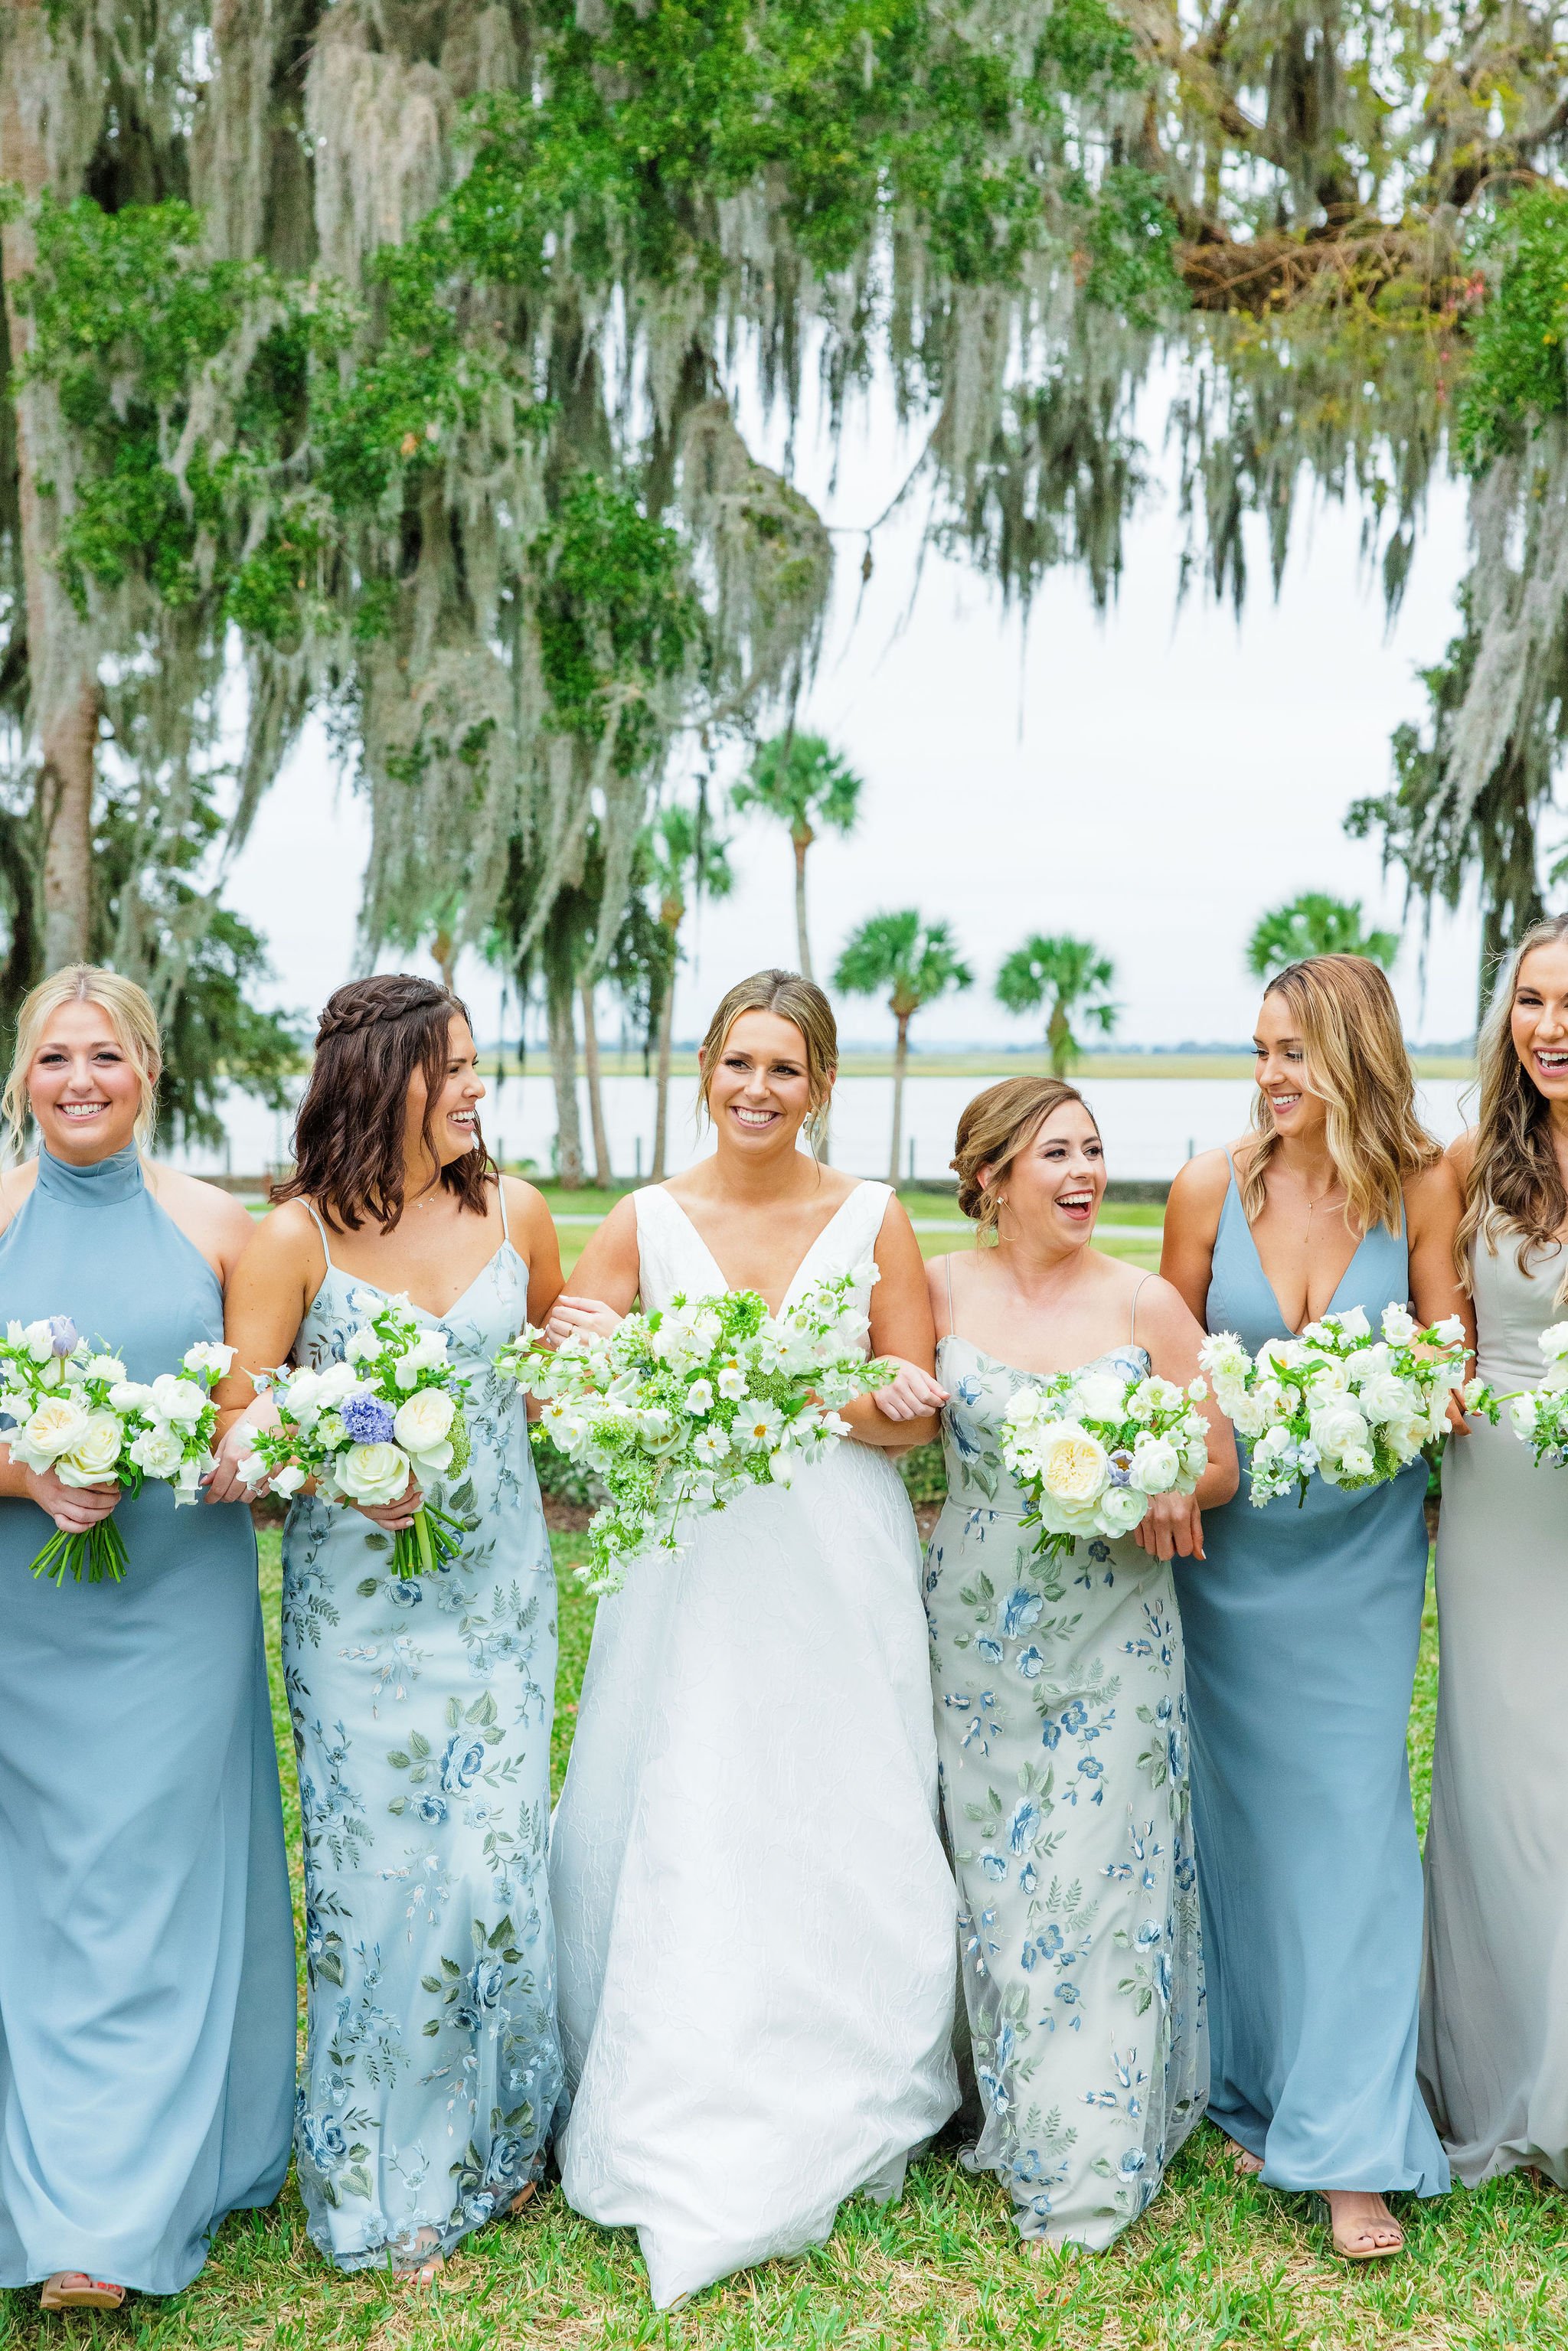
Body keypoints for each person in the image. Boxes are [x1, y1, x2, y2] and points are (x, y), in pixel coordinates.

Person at [544, 968, 958, 2309]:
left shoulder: (875, 1218)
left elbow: (912, 1413)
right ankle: (678, 2076)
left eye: (784, 1070)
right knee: (693, 1787)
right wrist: (602, 1361)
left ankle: (853, 2069)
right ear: (706, 1071)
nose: (757, 1091)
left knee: (840, 1791)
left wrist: (798, 1386)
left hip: (838, 1556)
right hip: (690, 1558)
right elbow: (572, 1383)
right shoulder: (646, 1218)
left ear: (820, 1084)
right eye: (738, 1065)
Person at [211, 974, 566, 2281]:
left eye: (479, 1067)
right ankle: (383, 2166)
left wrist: (597, 1362)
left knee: (493, 1867)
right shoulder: (292, 1240)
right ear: (389, 1080)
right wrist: (340, 1449)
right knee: (378, 1884)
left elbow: (546, 1390)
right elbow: (235, 1446)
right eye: (457, 1069)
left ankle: (508, 2134)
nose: (478, 1089)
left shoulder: (518, 1214)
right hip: (356, 1618)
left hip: (500, 1599)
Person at [0, 965, 295, 2313]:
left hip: (179, 1601)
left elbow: (251, 1418)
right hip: (26, 1606)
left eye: (104, 1059)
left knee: (157, 1881)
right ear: (22, 1078)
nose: (79, 1083)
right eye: (55, 1060)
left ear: (149, 1072)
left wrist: (241, 1452)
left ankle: (108, 2224)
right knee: (46, 1891)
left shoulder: (223, 1229)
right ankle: (58, 2182)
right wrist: (28, 1473)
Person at [1161, 953, 1465, 2258]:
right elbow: (1163, 1363)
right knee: (1243, 1824)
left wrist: (1414, 1395)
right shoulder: (1203, 1189)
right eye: (1262, 1051)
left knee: (1350, 1825)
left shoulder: (1424, 1185)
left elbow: (1443, 1349)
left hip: (1359, 1560)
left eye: (1296, 1051)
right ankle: (1258, 2086)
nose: (1273, 1076)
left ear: (1355, 1053)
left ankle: (1351, 2148)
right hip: (1229, 1566)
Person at [923, 1077, 1233, 2248]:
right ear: (993, 1175)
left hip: (1116, 1640)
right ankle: (1006, 2099)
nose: (1085, 1174)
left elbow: (1220, 1463)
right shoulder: (939, 1290)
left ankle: (1089, 2150)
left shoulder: (1145, 1303)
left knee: (1102, 1889)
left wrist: (1158, 1483)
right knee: (1000, 1881)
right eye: (1056, 1153)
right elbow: (863, 1398)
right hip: (973, 1636)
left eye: (1095, 1151)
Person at [1420, 913, 1568, 2186]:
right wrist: (1440, 1385)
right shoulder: (1473, 1160)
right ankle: (1511, 2068)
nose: (1553, 1027)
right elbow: (1445, 1336)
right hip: (1501, 1499)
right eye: (1531, 1001)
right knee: (1510, 1782)